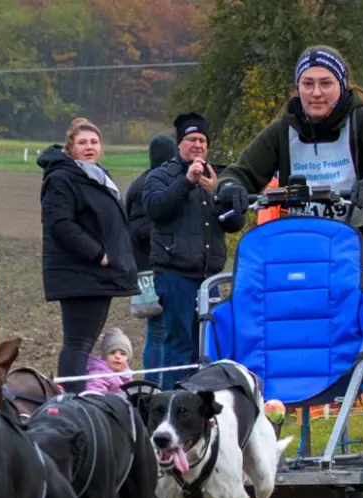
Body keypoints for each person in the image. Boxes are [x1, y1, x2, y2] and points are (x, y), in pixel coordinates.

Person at [215, 45, 363, 406]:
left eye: (325, 83)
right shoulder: (283, 131)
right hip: (305, 259)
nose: (316, 92)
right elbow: (241, 172)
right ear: (298, 88)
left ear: (342, 86)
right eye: (307, 84)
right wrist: (230, 188)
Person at [143, 112, 245, 389]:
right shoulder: (161, 176)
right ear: (179, 144)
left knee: (206, 345)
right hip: (175, 274)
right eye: (191, 140)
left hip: (207, 277)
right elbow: (155, 208)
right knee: (179, 344)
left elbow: (236, 222)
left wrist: (217, 194)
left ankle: (201, 403)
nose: (197, 145)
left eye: (202, 140)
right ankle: (173, 401)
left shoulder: (215, 179)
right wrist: (187, 181)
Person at [36, 117, 138, 382]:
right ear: (71, 148)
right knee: (77, 342)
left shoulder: (96, 176)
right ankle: (72, 403)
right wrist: (98, 254)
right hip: (80, 273)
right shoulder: (62, 178)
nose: (89, 147)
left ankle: (79, 398)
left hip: (97, 275)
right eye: (82, 142)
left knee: (84, 342)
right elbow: (60, 224)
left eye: (94, 142)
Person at [126, 132, 177, 379]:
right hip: (152, 269)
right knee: (158, 329)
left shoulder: (143, 184)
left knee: (161, 329)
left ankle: (159, 381)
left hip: (153, 265)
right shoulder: (148, 187)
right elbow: (139, 229)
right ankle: (154, 383)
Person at [85, 327, 134, 394]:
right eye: (112, 352)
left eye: (123, 354)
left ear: (128, 358)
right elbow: (95, 396)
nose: (117, 356)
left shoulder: (127, 376)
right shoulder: (99, 375)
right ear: (105, 356)